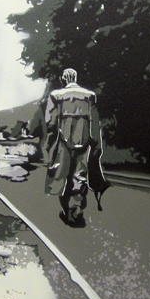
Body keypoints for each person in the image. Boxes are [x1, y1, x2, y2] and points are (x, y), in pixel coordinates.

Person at [44, 68, 109, 227]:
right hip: (84, 141)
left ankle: (66, 209)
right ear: (75, 78)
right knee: (80, 176)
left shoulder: (56, 96)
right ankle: (77, 207)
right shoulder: (89, 96)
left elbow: (50, 123)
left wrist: (49, 145)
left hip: (63, 142)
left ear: (63, 79)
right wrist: (96, 145)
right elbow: (95, 123)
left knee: (62, 175)